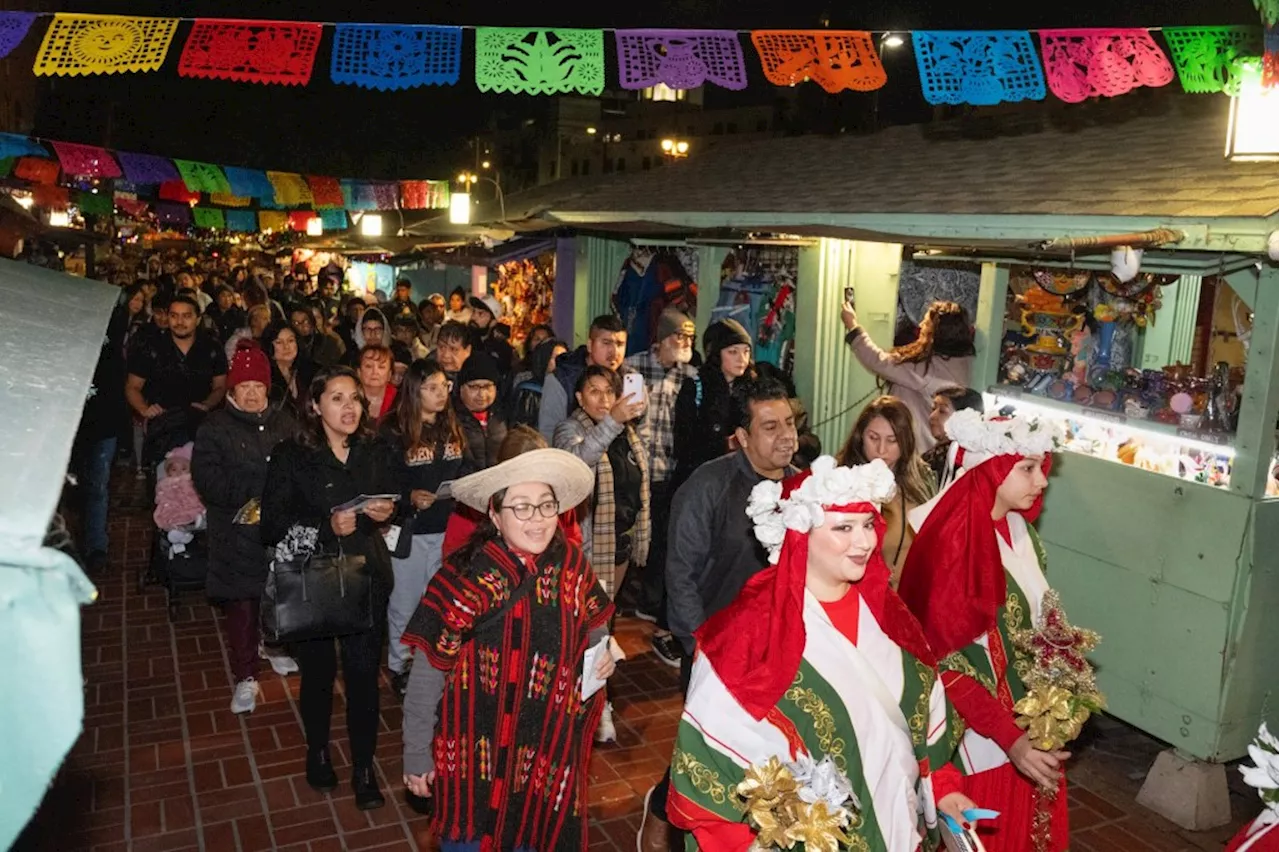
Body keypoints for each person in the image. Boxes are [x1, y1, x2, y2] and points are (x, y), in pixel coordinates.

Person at [668, 455, 974, 850]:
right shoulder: (745, 635)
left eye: (868, 524)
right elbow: (711, 767)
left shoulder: (890, 618)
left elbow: (922, 732)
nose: (864, 542)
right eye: (844, 528)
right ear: (800, 535)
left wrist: (945, 791)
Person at [399, 448, 617, 851]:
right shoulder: (463, 578)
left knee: (534, 833)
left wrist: (601, 650)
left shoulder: (571, 563)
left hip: (545, 743)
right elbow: (428, 672)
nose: (537, 518)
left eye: (546, 505)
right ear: (495, 517)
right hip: (473, 749)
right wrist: (416, 753)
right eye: (521, 507)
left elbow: (594, 617)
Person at [898, 409, 1073, 852]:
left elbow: (1040, 619)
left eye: (1042, 467)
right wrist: (1012, 737)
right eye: (1028, 468)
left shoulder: (1019, 531)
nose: (1042, 481)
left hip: (1026, 725)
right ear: (991, 469)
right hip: (980, 740)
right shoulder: (951, 542)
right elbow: (944, 660)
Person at [639, 376, 799, 850]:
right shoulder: (708, 485)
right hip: (715, 648)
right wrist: (701, 650)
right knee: (707, 750)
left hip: (781, 645)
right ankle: (662, 810)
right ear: (742, 437)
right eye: (770, 427)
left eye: (789, 423)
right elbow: (681, 576)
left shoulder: (805, 486)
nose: (785, 435)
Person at [259, 367, 399, 810]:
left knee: (363, 678)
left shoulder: (374, 448)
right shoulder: (291, 455)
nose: (349, 407)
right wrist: (325, 526)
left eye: (355, 397)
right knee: (318, 675)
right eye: (337, 398)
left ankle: (363, 768)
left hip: (366, 576)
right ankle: (317, 750)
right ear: (315, 405)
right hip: (314, 577)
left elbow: (396, 498)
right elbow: (271, 525)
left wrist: (385, 513)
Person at [191, 340, 298, 715]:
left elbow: (301, 466)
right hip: (235, 535)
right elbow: (209, 481)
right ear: (232, 391)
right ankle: (245, 675)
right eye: (244, 388)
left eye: (258, 387)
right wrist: (261, 486)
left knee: (279, 598)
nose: (252, 395)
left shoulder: (285, 423)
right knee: (243, 605)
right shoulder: (214, 428)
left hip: (279, 530)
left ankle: (274, 647)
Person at [552, 365, 649, 742]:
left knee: (603, 627)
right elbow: (575, 464)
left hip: (618, 546)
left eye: (609, 392)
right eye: (594, 392)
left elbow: (636, 487)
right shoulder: (571, 430)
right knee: (591, 633)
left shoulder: (627, 433)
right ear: (579, 398)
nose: (604, 400)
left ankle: (594, 699)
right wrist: (611, 421)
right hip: (590, 551)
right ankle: (593, 708)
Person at [381, 359, 474, 697]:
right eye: (432, 388)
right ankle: (400, 664)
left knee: (442, 601)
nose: (440, 394)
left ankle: (434, 662)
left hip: (449, 528)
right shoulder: (393, 430)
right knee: (405, 602)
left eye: (444, 387)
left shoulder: (452, 425)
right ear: (413, 390)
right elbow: (383, 481)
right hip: (411, 530)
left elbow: (465, 467)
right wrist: (408, 497)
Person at [624, 308, 697, 666]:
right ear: (663, 339)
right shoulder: (633, 367)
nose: (684, 344)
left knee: (664, 539)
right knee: (637, 532)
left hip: (670, 469)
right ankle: (627, 596)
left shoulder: (690, 375)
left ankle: (650, 603)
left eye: (689, 339)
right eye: (679, 337)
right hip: (639, 467)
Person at [841, 299, 976, 451]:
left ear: (936, 333)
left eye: (926, 324)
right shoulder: (960, 362)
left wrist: (852, 326)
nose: (920, 327)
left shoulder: (928, 371)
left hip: (917, 449)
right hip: (926, 446)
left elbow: (878, 360)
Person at [837, 396, 936, 583]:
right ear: (860, 437)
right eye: (873, 438)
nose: (881, 450)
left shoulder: (924, 481)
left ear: (906, 442)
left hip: (911, 598)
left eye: (892, 440)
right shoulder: (843, 485)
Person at [125, 294, 227, 467]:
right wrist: (144, 409)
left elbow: (221, 386)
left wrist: (207, 404)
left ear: (198, 319)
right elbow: (132, 387)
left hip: (202, 427)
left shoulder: (212, 348)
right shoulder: (150, 347)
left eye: (186, 316)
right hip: (163, 428)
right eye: (174, 316)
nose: (180, 321)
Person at [670, 318, 756, 490]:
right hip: (698, 482)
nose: (742, 359)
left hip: (740, 482)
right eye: (733, 352)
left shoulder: (753, 388)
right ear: (716, 354)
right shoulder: (695, 386)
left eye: (746, 351)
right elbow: (683, 445)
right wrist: (726, 444)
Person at [537, 314, 628, 441]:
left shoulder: (628, 379)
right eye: (606, 343)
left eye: (620, 344)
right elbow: (548, 434)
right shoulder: (562, 379)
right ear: (590, 345)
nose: (614, 352)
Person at [454, 352, 508, 470]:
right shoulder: (450, 418)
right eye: (474, 387)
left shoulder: (503, 415)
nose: (482, 394)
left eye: (487, 386)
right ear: (461, 388)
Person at [923, 385, 985, 486]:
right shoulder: (936, 454)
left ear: (965, 418)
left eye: (942, 411)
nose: (932, 416)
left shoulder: (962, 462)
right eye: (933, 409)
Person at [508, 337, 567, 429]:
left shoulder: (566, 388)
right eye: (555, 358)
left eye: (564, 358)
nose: (561, 363)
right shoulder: (529, 391)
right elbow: (523, 432)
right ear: (543, 359)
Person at [260, 321, 313, 413]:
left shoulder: (310, 371)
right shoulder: (264, 376)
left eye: (291, 341)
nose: (286, 347)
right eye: (279, 342)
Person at [468, 294, 516, 378]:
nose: (474, 317)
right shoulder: (464, 339)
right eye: (474, 312)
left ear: (493, 322)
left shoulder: (502, 349)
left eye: (480, 314)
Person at [357, 345, 397, 422]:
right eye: (368, 366)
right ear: (359, 372)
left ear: (389, 374)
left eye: (381, 367)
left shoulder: (400, 400)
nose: (375, 372)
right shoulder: (349, 398)